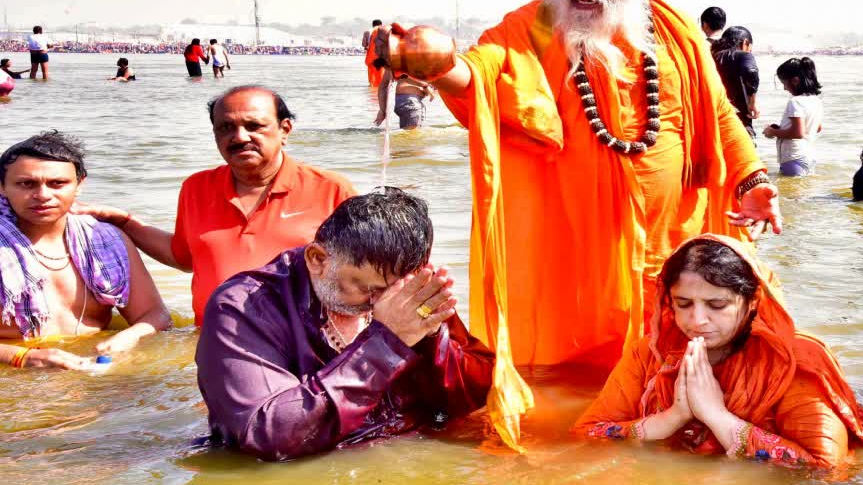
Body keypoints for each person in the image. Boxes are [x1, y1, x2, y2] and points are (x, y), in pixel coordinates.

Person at [396, 0, 780, 447]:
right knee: (575, 368)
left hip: (674, 230)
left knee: (682, 335)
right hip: (575, 240)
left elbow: (717, 114)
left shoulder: (674, 32)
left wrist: (751, 181)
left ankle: (679, 434)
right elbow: (484, 75)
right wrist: (436, 65)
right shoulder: (529, 28)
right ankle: (579, 444)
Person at [196, 188, 494, 461]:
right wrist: (387, 341)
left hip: (409, 459)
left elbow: (475, 398)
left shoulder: (406, 293)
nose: (382, 303)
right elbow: (271, 435)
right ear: (317, 259)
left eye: (394, 290)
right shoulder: (242, 307)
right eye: (370, 290)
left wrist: (431, 339)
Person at [574, 234, 863, 468]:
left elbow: (826, 469)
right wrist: (671, 419)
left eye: (717, 305)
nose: (696, 320)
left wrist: (719, 418)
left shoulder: (794, 360)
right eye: (683, 304)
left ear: (753, 301)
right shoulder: (652, 352)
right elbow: (588, 434)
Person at [74, 86, 356, 326]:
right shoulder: (197, 188)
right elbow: (183, 258)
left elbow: (364, 272)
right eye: (226, 127)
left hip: (302, 342)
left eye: (254, 126)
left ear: (285, 129)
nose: (240, 137)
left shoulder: (331, 189)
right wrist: (123, 221)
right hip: (215, 342)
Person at [0, 132, 171, 370]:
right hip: (17, 384)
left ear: (79, 185)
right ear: (2, 187)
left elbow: (156, 316)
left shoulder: (108, 241)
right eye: (26, 184)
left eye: (57, 183)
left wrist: (128, 338)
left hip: (94, 370)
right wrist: (21, 358)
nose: (43, 195)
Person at [764, 57, 823, 176]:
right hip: (809, 156)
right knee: (803, 192)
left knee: (793, 194)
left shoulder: (795, 102)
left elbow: (798, 133)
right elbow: (818, 127)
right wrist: (781, 128)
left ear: (795, 81)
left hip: (793, 157)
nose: (785, 88)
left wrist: (772, 132)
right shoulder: (816, 100)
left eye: (784, 84)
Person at [712, 26, 759, 136]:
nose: (749, 51)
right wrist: (752, 102)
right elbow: (751, 72)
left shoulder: (711, 57)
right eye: (750, 48)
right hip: (736, 123)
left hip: (712, 122)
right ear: (745, 43)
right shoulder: (743, 55)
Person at [362, 19, 385, 88]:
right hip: (381, 56)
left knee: (371, 76)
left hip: (370, 57)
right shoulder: (383, 31)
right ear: (381, 25)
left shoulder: (367, 32)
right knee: (381, 74)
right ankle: (379, 88)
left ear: (373, 25)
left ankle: (372, 89)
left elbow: (364, 44)